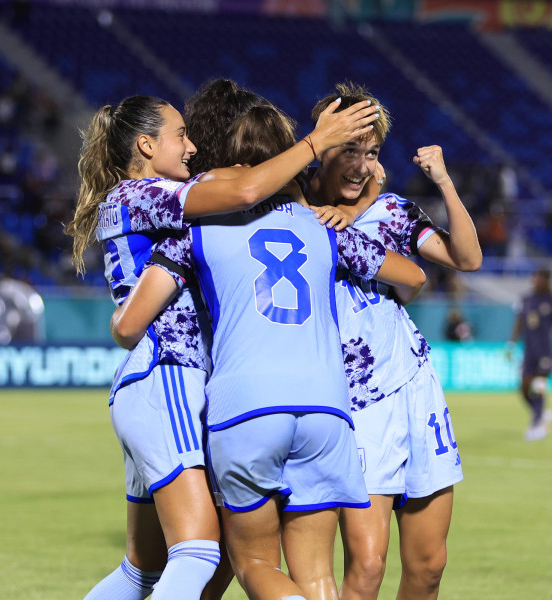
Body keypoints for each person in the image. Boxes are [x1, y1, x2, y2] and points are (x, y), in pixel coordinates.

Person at [65, 93, 379, 600]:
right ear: (146, 145)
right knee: (199, 552)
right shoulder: (140, 194)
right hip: (168, 371)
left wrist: (312, 204)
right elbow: (247, 187)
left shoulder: (140, 202)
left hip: (152, 380)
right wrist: (317, 143)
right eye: (179, 136)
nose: (191, 148)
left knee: (141, 571)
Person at [305, 83, 482, 600]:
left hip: (414, 387)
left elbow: (467, 260)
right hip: (355, 401)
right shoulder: (292, 209)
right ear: (321, 146)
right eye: (349, 150)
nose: (361, 165)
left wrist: (445, 182)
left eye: (372, 152)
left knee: (428, 565)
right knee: (367, 566)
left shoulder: (394, 211)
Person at [506, 268, 552, 442]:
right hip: (529, 350)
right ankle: (540, 414)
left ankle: (536, 425)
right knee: (524, 388)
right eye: (533, 278)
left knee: (539, 385)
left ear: (546, 280)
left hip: (545, 351)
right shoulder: (525, 300)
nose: (535, 281)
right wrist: (511, 345)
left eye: (538, 278)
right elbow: (518, 323)